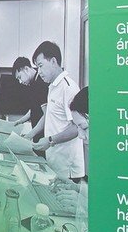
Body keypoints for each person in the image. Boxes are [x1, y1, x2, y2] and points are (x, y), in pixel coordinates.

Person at [12, 45, 85, 182]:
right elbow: (49, 117)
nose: (39, 71)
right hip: (54, 160)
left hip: (67, 167)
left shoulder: (68, 87)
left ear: (53, 61)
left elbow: (77, 128)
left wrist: (50, 140)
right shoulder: (52, 87)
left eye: (40, 66)